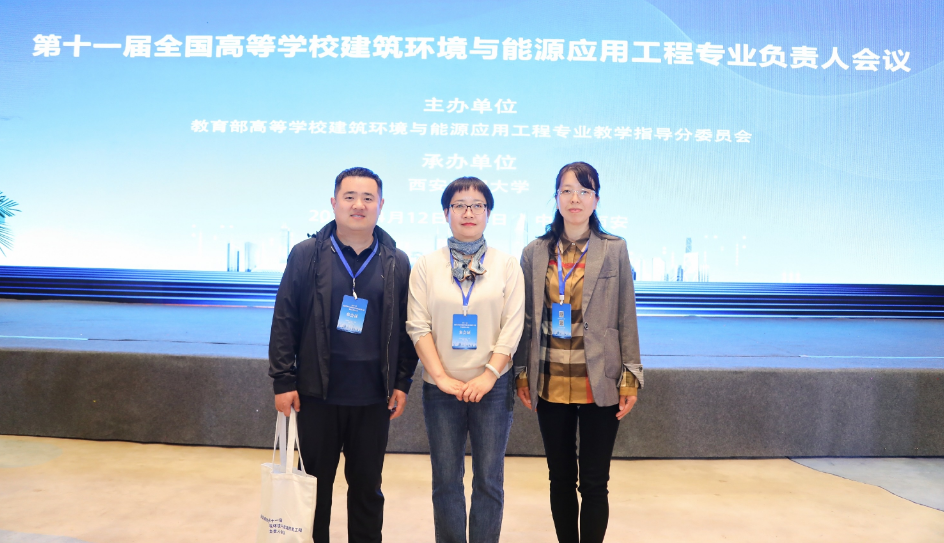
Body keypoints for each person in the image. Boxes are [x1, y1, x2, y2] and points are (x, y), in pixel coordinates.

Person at [268, 167, 418, 543]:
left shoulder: (396, 261)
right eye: (350, 197)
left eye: (368, 198)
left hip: (373, 398)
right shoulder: (307, 255)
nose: (358, 205)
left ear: (381, 205)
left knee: (367, 490)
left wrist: (402, 381)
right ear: (334, 203)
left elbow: (407, 327)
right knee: (313, 489)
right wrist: (283, 379)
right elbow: (285, 318)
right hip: (317, 394)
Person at [513, 162, 644, 543]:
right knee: (560, 478)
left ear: (596, 200)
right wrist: (521, 372)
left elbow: (626, 314)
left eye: (584, 191)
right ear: (556, 197)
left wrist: (631, 376)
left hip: (599, 381)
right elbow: (525, 319)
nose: (575, 199)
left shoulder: (614, 249)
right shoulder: (534, 252)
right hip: (550, 378)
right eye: (567, 190)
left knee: (594, 482)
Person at [406, 177, 525, 543]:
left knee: (489, 479)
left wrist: (489, 375)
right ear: (446, 213)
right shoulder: (426, 265)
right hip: (441, 388)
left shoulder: (507, 265)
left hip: (493, 387)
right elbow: (418, 325)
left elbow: (513, 326)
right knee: (446, 480)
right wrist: (440, 377)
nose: (468, 212)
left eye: (477, 205)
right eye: (459, 205)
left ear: (488, 213)